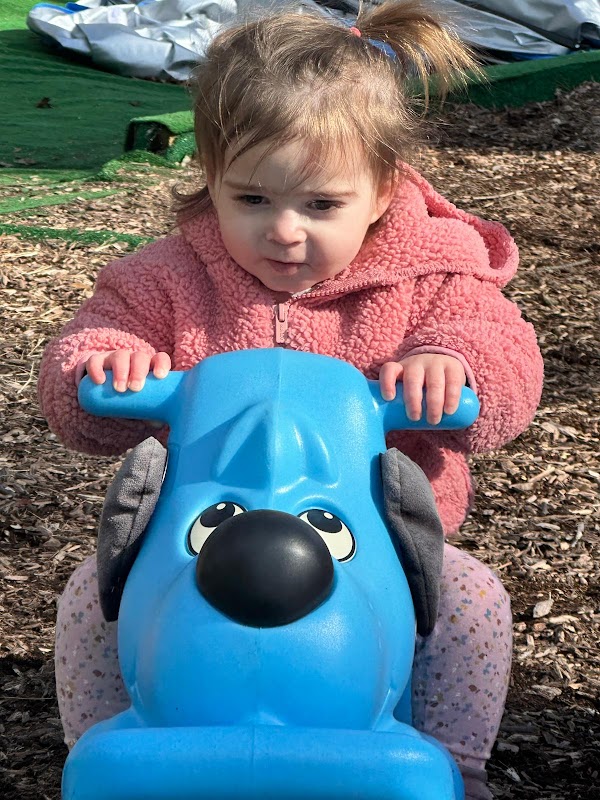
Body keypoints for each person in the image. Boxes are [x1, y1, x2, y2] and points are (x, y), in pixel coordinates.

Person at [38, 3, 543, 798]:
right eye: (250, 200)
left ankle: (455, 761)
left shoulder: (432, 274)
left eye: (320, 205)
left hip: (381, 547)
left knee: (470, 601)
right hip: (195, 541)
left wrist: (454, 364)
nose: (282, 231)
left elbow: (503, 351)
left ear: (382, 190)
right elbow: (83, 356)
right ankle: (114, 747)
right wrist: (104, 362)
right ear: (211, 176)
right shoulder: (167, 278)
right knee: (88, 601)